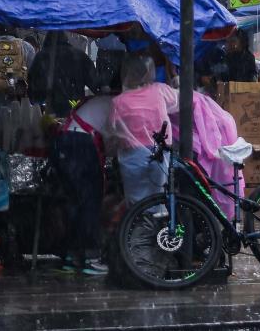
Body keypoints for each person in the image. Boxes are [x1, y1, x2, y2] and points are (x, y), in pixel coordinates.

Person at [51, 94, 114, 275]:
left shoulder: (99, 100)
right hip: (80, 145)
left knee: (74, 203)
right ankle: (91, 258)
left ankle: (72, 255)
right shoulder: (117, 103)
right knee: (89, 203)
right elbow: (115, 141)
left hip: (64, 142)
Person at [108, 54, 178, 206]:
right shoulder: (160, 90)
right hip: (160, 152)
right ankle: (158, 227)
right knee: (159, 199)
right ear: (148, 73)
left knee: (136, 204)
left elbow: (112, 131)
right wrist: (175, 78)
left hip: (132, 157)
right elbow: (179, 101)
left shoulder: (118, 101)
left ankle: (140, 228)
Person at [28, 31, 99, 117]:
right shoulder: (79, 55)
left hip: (50, 108)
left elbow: (33, 86)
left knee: (53, 128)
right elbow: (95, 84)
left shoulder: (41, 57)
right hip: (75, 106)